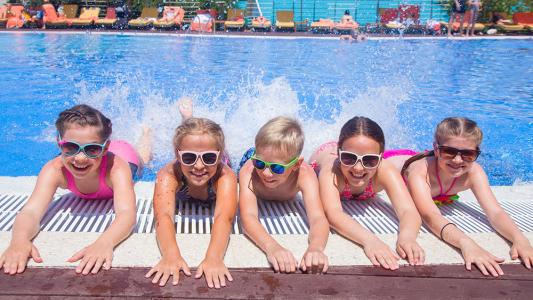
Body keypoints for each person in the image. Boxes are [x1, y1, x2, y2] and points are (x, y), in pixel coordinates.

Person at [0, 104, 152, 275]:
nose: (80, 158)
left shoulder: (117, 169)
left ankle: (146, 134)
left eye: (91, 149)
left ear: (105, 149)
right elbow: (30, 211)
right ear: (59, 143)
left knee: (144, 159)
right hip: (104, 153)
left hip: (125, 155)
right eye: (70, 147)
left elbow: (127, 214)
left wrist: (104, 243)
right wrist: (19, 241)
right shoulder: (54, 170)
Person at [401, 117, 533, 277]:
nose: (457, 160)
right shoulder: (420, 173)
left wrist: (520, 239)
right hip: (398, 165)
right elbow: (431, 216)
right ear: (436, 149)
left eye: (468, 154)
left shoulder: (473, 172)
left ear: (476, 153)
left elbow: (495, 212)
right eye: (449, 152)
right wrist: (467, 244)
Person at [309, 116, 424, 270]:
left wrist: (407, 237)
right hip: (324, 153)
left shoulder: (385, 170)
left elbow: (408, 210)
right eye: (349, 158)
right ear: (339, 154)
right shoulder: (331, 171)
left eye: (369, 160)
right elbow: (333, 214)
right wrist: (370, 241)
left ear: (381, 158)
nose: (358, 168)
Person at [145, 99, 237, 288]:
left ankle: (190, 122)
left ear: (218, 157)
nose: (199, 166)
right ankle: (177, 124)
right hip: (189, 158)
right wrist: (170, 255)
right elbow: (163, 216)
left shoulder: (223, 174)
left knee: (202, 144)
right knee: (144, 161)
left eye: (209, 157)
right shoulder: (170, 173)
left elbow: (223, 217)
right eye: (188, 157)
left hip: (220, 161)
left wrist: (214, 258)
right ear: (177, 156)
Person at [239, 117, 330, 274]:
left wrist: (316, 248)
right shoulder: (249, 171)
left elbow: (318, 218)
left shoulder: (305, 174)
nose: (266, 173)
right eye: (260, 164)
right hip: (250, 156)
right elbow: (248, 218)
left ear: (296, 165)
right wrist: (272, 247)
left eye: (277, 168)